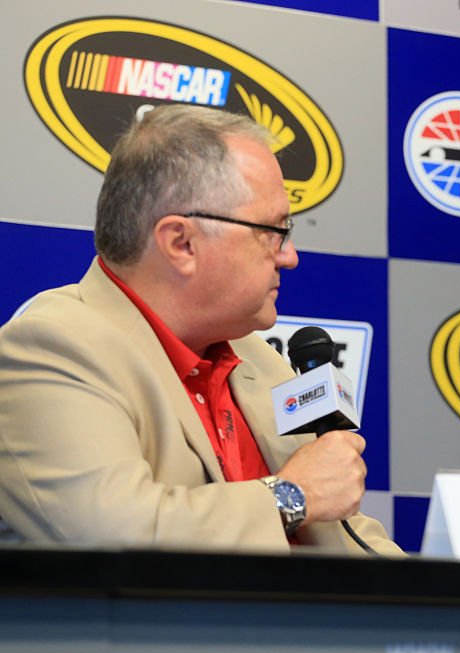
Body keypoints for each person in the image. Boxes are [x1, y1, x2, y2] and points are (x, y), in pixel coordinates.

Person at [0, 105, 401, 555]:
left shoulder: (259, 360)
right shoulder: (51, 347)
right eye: (274, 230)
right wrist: (292, 498)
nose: (290, 257)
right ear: (181, 243)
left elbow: (347, 532)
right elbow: (111, 534)